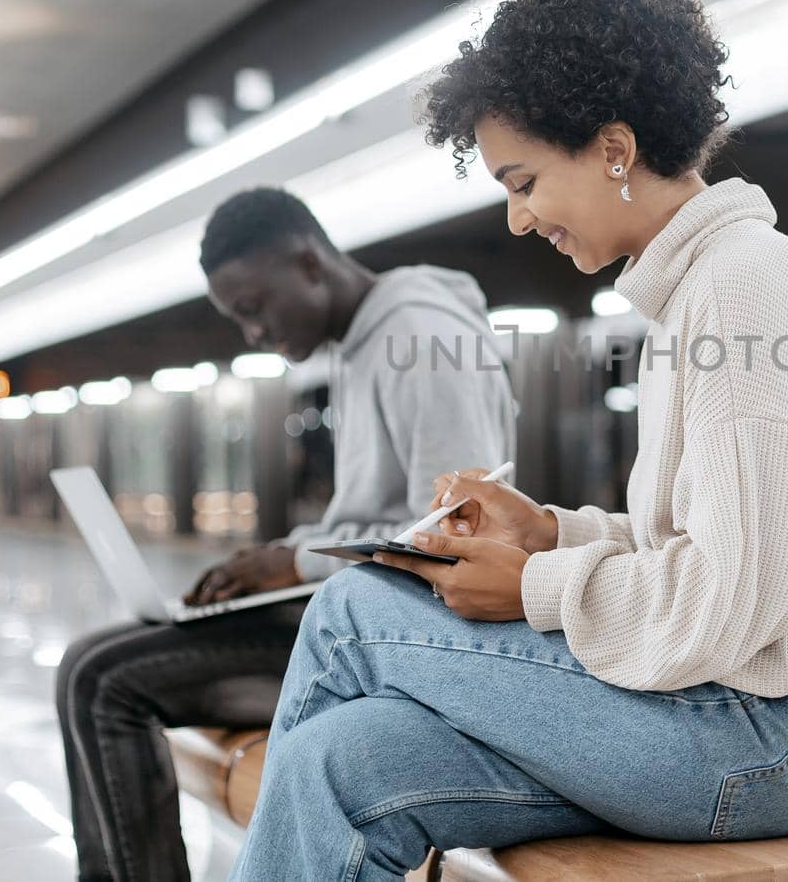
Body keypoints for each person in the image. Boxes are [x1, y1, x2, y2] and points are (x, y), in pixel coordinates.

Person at [230, 0, 788, 881]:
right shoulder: (709, 288)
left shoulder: (738, 294)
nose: (518, 218)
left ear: (614, 149)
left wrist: (534, 587)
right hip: (742, 722)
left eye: (524, 180)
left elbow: (740, 593)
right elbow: (713, 546)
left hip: (765, 739)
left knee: (351, 614)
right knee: (335, 764)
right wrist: (548, 531)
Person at [55, 188, 515, 882]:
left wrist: (296, 560)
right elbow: (382, 513)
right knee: (90, 665)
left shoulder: (417, 334)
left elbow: (459, 529)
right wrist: (281, 557)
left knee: (102, 678)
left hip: (398, 646)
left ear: (308, 262)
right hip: (351, 619)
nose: (254, 333)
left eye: (253, 308)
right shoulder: (364, 343)